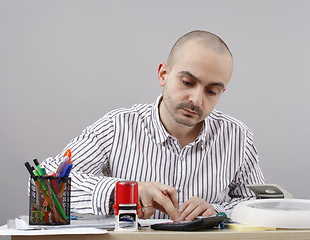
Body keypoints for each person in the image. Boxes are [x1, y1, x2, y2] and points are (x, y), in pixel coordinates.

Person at [41, 30, 265, 223]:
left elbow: (259, 204)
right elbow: (46, 183)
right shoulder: (116, 126)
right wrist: (122, 191)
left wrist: (218, 211)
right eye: (187, 82)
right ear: (163, 75)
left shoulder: (237, 136)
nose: (196, 99)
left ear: (221, 93)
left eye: (211, 91)